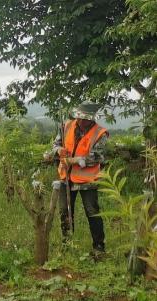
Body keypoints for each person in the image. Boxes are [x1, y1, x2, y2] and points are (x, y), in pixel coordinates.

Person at [45, 102, 108, 255]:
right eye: (79, 117)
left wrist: (74, 160)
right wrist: (58, 150)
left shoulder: (100, 133)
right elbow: (55, 144)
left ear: (92, 119)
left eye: (84, 119)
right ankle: (67, 244)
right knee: (65, 211)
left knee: (92, 212)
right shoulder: (66, 126)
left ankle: (98, 247)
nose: (80, 121)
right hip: (65, 176)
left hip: (88, 180)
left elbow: (98, 157)